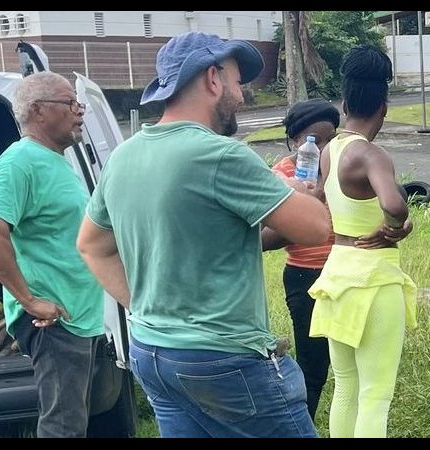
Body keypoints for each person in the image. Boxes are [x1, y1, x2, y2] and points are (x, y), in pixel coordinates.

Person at [76, 32, 330, 438]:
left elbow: (91, 244)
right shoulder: (221, 155)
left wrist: (141, 304)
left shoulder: (124, 155)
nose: (241, 96)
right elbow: (316, 227)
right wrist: (297, 192)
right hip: (223, 361)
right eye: (236, 81)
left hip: (153, 351)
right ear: (212, 79)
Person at [0, 71, 104, 438]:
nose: (80, 111)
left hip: (78, 314)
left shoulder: (54, 160)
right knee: (63, 427)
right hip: (55, 320)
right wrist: (29, 300)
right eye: (70, 103)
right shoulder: (21, 161)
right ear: (38, 111)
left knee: (71, 420)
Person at [306, 46, 417, 439]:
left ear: (345, 99)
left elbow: (321, 196)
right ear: (383, 106)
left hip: (337, 274)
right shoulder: (371, 155)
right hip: (374, 278)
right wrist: (398, 223)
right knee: (376, 393)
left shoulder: (329, 150)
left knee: (346, 387)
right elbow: (392, 204)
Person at [261, 99, 341, 420]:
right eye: (315, 140)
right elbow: (262, 237)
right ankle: (299, 424)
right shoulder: (281, 175)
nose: (324, 148)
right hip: (306, 277)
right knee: (314, 366)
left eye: (331, 139)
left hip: (346, 272)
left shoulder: (344, 165)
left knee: (351, 362)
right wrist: (303, 213)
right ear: (296, 141)